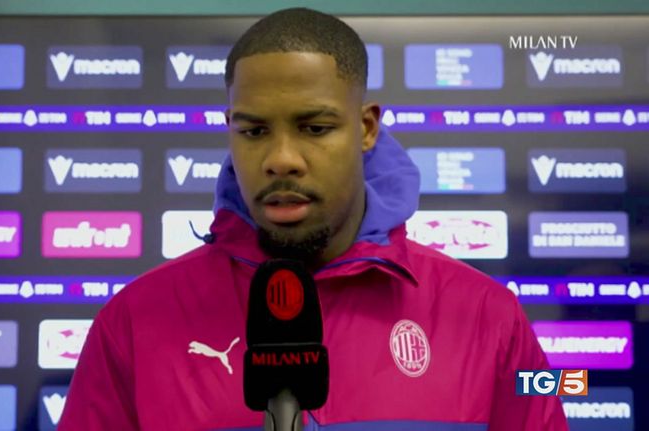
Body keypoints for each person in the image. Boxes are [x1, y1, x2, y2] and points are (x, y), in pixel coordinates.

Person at [58, 7, 568, 431]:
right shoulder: (132, 325)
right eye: (254, 131)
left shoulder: (490, 320)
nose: (282, 159)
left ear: (366, 128)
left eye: (315, 127)